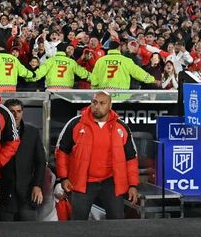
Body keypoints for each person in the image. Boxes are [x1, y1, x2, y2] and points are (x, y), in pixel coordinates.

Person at [55, 91, 140, 220]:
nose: (97, 106)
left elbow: (131, 158)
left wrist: (133, 185)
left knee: (116, 221)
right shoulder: (76, 124)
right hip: (82, 182)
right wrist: (64, 177)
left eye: (102, 103)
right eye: (94, 102)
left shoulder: (121, 127)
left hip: (111, 183)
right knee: (78, 223)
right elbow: (62, 152)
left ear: (110, 105)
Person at [0, 99, 46, 222]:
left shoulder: (33, 132)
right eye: (12, 111)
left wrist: (37, 185)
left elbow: (40, 162)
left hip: (27, 192)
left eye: (19, 111)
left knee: (29, 233)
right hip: (5, 194)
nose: (16, 115)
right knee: (4, 234)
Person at [90, 41, 157, 89]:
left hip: (105, 94)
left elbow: (94, 77)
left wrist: (95, 89)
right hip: (122, 94)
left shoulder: (100, 61)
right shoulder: (126, 61)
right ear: (119, 48)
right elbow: (138, 73)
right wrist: (152, 79)